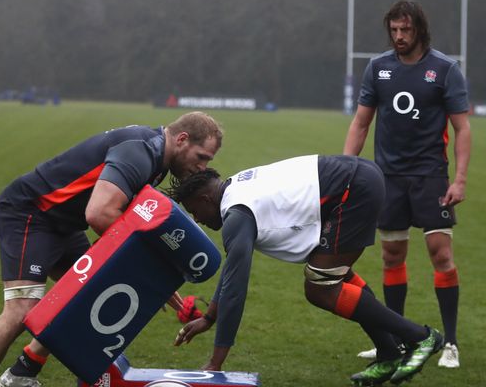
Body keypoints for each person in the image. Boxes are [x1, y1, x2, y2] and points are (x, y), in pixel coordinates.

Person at [0, 112, 223, 387]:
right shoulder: (142, 151)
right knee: (20, 310)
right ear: (182, 139)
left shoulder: (157, 158)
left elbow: (126, 221)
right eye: (202, 156)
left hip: (63, 224)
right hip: (31, 214)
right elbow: (99, 213)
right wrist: (143, 265)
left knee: (86, 294)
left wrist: (154, 277)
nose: (202, 167)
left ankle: (22, 372)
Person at [169, 155, 444, 386]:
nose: (197, 220)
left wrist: (216, 362)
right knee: (334, 274)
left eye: (194, 211)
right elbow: (232, 274)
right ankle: (388, 352)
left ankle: (421, 337)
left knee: (320, 288)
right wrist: (209, 317)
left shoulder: (236, 214)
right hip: (355, 180)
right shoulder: (235, 189)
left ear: (206, 199)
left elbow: (235, 290)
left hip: (353, 189)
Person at [343, 0, 471, 368]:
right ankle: (396, 339)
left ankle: (451, 344)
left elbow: (462, 128)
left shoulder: (445, 70)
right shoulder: (378, 68)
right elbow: (361, 123)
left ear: (420, 31)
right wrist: (348, 167)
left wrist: (459, 180)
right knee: (391, 255)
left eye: (406, 30)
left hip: (431, 176)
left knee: (440, 254)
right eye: (394, 30)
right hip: (388, 178)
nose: (399, 37)